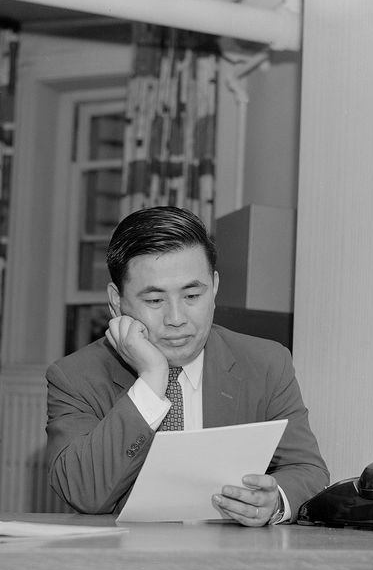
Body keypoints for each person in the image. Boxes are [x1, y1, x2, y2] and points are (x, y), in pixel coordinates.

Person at [45, 206, 328, 526]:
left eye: (192, 295)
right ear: (116, 300)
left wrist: (274, 502)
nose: (177, 319)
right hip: (126, 562)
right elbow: (84, 492)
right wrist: (152, 380)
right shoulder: (75, 376)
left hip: (228, 560)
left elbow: (309, 470)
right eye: (154, 301)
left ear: (215, 287)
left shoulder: (265, 363)